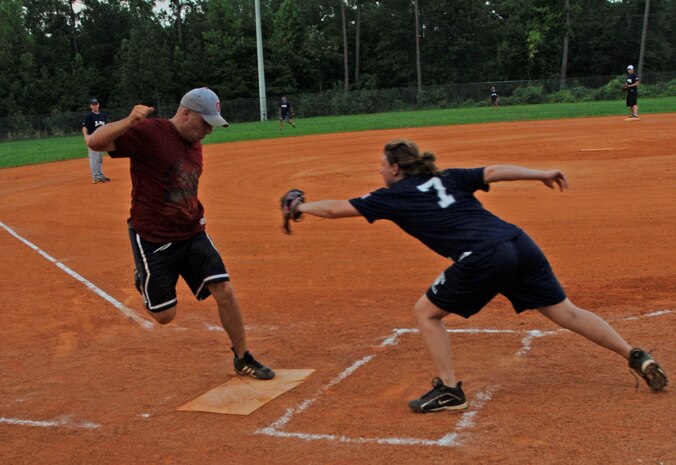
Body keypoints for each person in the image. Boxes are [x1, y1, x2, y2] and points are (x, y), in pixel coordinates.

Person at [287, 139, 668, 413]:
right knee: (566, 312)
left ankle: (450, 390)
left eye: (382, 165)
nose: (379, 170)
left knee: (426, 313)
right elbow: (492, 171)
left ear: (396, 168)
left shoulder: (392, 196)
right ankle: (634, 354)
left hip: (484, 255)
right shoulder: (449, 178)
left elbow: (338, 209)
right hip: (518, 241)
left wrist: (299, 205)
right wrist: (540, 174)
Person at [87, 87, 275, 380]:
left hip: (192, 231)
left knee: (224, 289)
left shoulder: (193, 140)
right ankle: (143, 277)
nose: (208, 132)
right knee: (164, 316)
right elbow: (95, 142)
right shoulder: (150, 132)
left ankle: (242, 357)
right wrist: (128, 121)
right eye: (205, 124)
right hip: (153, 237)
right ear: (186, 113)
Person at [82, 98, 110, 184]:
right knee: (94, 158)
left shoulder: (103, 115)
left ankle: (100, 175)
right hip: (92, 138)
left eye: (96, 104)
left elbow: (105, 127)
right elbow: (84, 127)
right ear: (90, 106)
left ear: (99, 104)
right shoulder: (89, 116)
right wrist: (86, 137)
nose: (95, 105)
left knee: (99, 158)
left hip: (100, 139)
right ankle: (95, 176)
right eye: (93, 104)